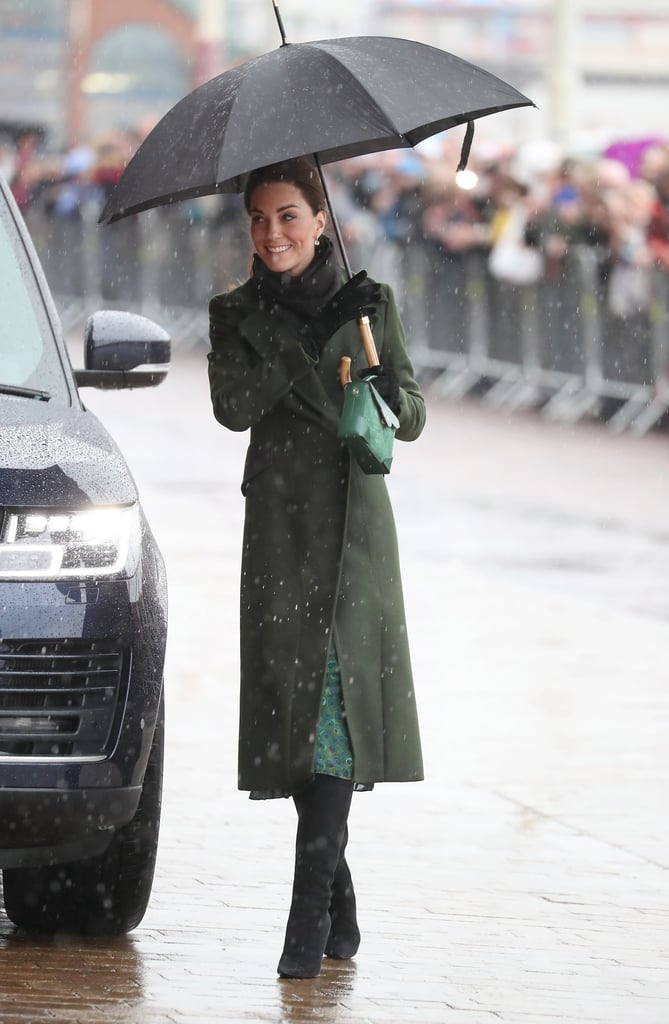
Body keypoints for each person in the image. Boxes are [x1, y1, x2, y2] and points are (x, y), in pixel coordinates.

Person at [206, 157, 425, 980]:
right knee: (298, 720)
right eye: (259, 220)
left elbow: (410, 418)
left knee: (332, 710)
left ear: (320, 218)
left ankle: (304, 923)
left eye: (289, 216)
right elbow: (233, 408)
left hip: (354, 537)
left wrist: (373, 379)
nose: (273, 234)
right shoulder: (234, 312)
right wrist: (302, 348)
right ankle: (338, 899)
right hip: (277, 536)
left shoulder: (369, 306)